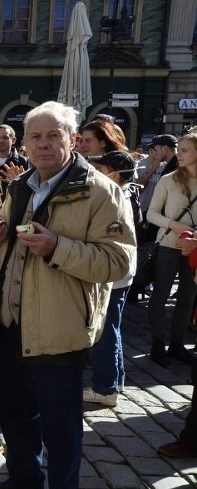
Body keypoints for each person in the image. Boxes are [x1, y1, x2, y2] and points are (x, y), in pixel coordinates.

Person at [0, 101, 134, 489]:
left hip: (60, 330)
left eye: (53, 136)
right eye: (35, 137)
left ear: (72, 139)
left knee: (61, 431)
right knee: (14, 414)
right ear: (24, 143)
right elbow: (9, 247)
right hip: (12, 324)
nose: (43, 144)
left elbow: (120, 264)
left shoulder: (101, 191)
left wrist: (58, 248)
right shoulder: (20, 187)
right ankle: (25, 479)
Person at [83, 151, 140, 406]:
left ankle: (105, 388)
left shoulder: (114, 196)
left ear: (114, 174)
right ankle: (115, 380)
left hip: (113, 276)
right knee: (112, 328)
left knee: (105, 331)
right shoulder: (123, 193)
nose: (94, 172)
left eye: (100, 168)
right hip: (121, 275)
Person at [146, 131, 197, 367]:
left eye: (185, 150)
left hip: (194, 248)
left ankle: (177, 344)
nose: (179, 154)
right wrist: (175, 225)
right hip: (168, 245)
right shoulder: (169, 180)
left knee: (187, 297)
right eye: (180, 149)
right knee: (161, 294)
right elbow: (152, 214)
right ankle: (157, 343)